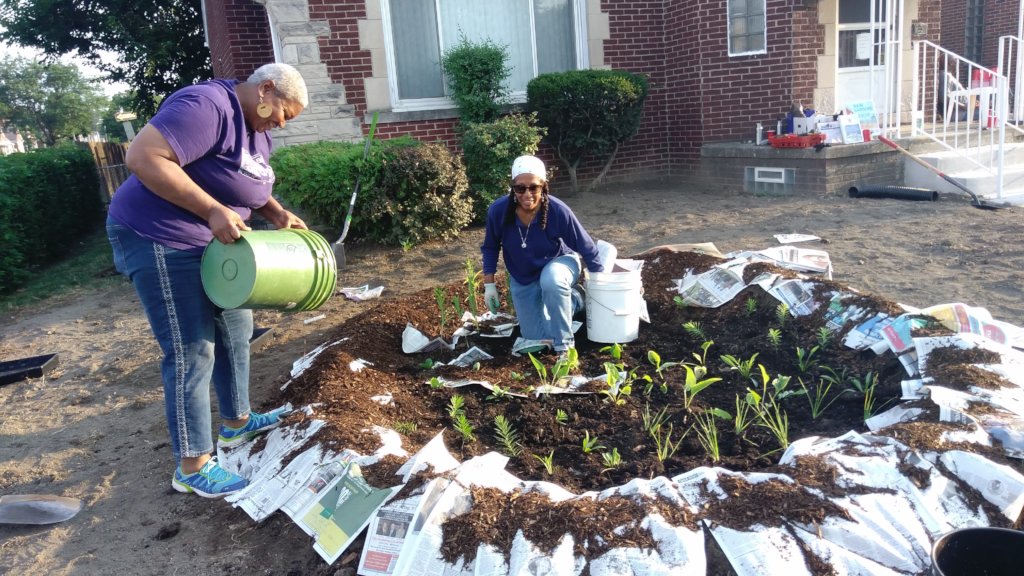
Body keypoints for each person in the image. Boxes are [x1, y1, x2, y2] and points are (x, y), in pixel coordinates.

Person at [106, 63, 309, 498]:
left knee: (237, 326)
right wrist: (212, 211)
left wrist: (273, 211)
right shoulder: (206, 106)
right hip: (158, 234)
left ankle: (236, 423)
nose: (281, 123)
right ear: (266, 89)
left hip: (212, 242)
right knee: (191, 346)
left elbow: (239, 176)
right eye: (283, 113)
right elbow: (142, 157)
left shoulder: (254, 127)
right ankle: (192, 463)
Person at [480, 155, 604, 356]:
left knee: (552, 281)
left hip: (560, 263)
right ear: (513, 187)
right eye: (520, 188)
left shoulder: (557, 210)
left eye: (534, 187)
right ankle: (574, 300)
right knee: (535, 336)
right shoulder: (498, 211)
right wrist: (489, 285)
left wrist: (600, 281)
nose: (527, 193)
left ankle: (565, 346)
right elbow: (490, 247)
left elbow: (585, 245)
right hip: (524, 276)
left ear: (543, 187)